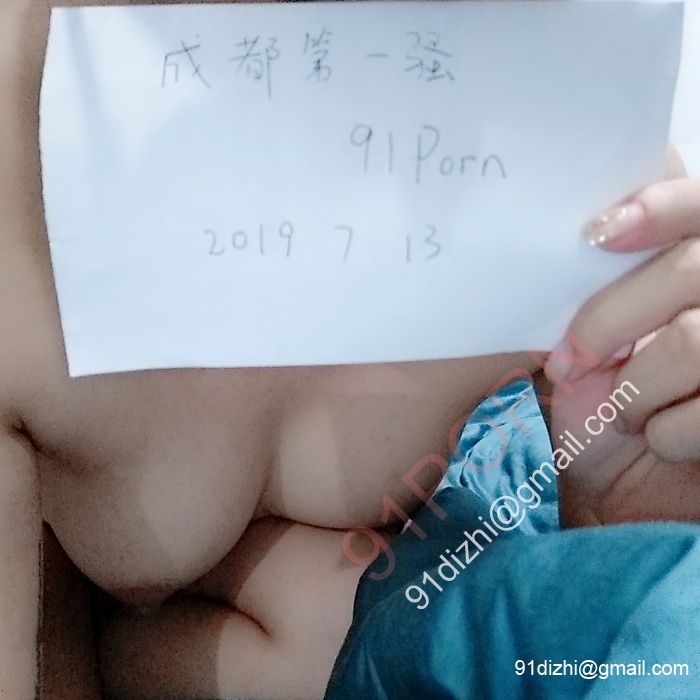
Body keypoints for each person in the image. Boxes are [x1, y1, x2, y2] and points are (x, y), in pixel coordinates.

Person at [0, 1, 697, 698]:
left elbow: (601, 623)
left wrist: (614, 501)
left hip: (322, 609)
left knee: (332, 622)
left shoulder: (591, 159)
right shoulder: (25, 150)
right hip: (57, 569)